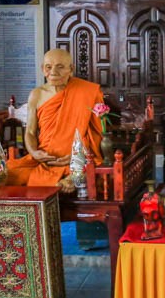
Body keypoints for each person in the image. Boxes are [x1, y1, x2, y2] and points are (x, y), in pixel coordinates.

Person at [6, 49, 104, 193]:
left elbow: (96, 135)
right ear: (42, 69)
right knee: (5, 174)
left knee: (84, 169)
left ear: (71, 69)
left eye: (60, 67)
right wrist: (34, 152)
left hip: (75, 159)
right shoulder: (36, 95)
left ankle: (71, 178)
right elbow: (31, 132)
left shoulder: (88, 92)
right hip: (44, 158)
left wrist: (77, 156)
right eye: (48, 67)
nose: (53, 72)